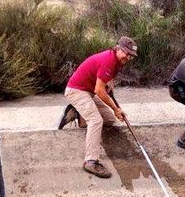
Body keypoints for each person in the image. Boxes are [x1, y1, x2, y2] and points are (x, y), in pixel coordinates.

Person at [58, 37, 137, 178]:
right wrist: (116, 109)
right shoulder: (109, 60)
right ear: (118, 48)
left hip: (89, 92)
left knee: (109, 119)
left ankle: (77, 115)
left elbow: (104, 82)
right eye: (127, 53)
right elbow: (100, 91)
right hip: (77, 91)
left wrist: (110, 83)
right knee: (96, 121)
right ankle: (90, 161)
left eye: (131, 55)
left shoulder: (116, 60)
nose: (128, 57)